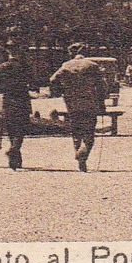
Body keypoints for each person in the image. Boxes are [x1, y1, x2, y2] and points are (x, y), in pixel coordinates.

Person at [48, 43, 108, 172]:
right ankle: (84, 152)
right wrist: (102, 103)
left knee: (76, 131)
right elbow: (102, 86)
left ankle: (79, 156)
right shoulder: (92, 66)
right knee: (89, 132)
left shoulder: (66, 65)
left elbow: (53, 80)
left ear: (71, 53)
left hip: (72, 104)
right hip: (90, 103)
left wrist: (61, 91)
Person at [0, 43, 35, 171]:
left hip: (8, 101)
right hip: (22, 100)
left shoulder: (0, 68)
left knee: (11, 128)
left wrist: (7, 88)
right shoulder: (25, 67)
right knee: (21, 129)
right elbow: (33, 85)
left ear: (8, 53)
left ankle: (15, 157)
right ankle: (14, 150)